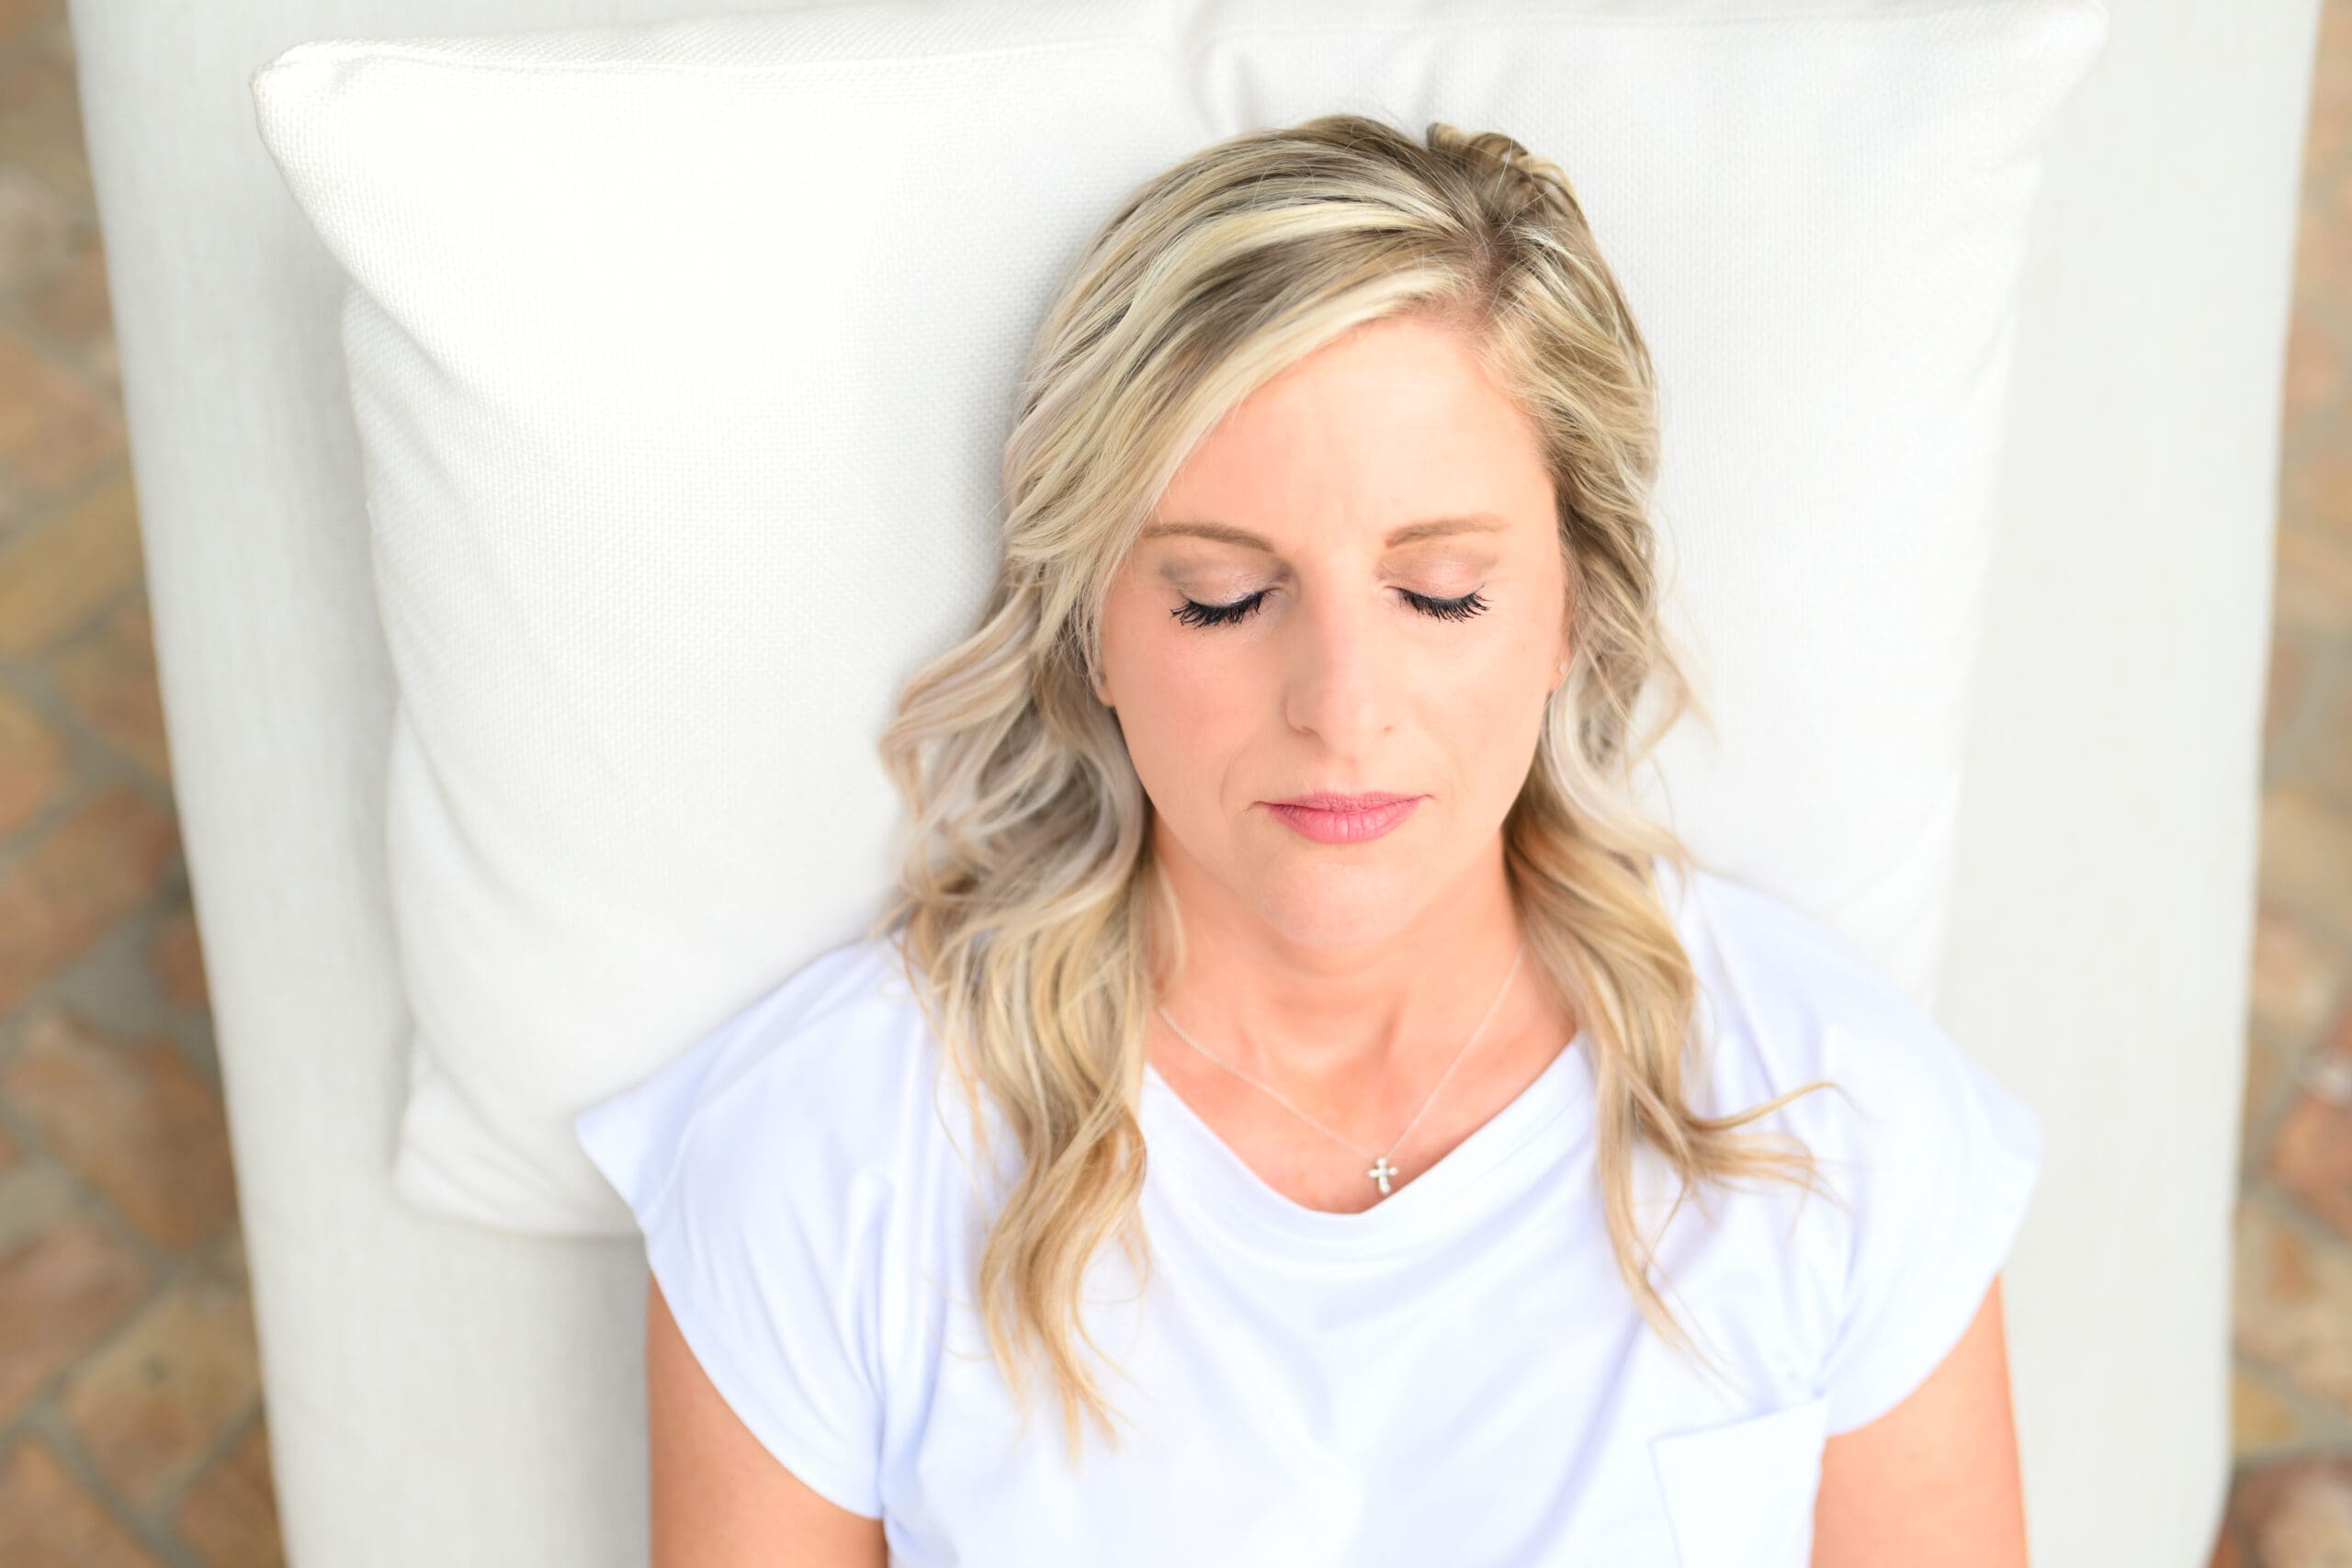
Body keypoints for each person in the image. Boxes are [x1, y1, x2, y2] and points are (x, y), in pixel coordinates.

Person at [573, 113, 2043, 1568]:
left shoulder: (1837, 1118)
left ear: (1571, 612)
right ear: (1091, 629)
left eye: (1444, 593)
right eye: (1221, 596)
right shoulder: (832, 1160)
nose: (1342, 711)